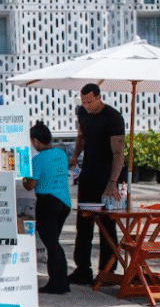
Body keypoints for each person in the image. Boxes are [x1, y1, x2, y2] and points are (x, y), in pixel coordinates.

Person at [69, 83, 126, 285]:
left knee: (107, 224)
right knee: (83, 222)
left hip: (107, 175)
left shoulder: (113, 117)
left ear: (99, 97)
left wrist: (113, 182)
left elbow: (119, 152)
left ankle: (107, 270)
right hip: (88, 173)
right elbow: (81, 136)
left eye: (90, 101)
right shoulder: (82, 113)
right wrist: (75, 155)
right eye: (83, 101)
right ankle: (83, 269)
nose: (87, 105)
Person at [23, 120, 71, 294]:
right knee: (54, 242)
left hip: (47, 203)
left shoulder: (38, 159)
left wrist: (24, 178)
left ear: (35, 141)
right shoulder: (61, 154)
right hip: (64, 202)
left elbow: (30, 185)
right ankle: (59, 280)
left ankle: (59, 283)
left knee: (52, 244)